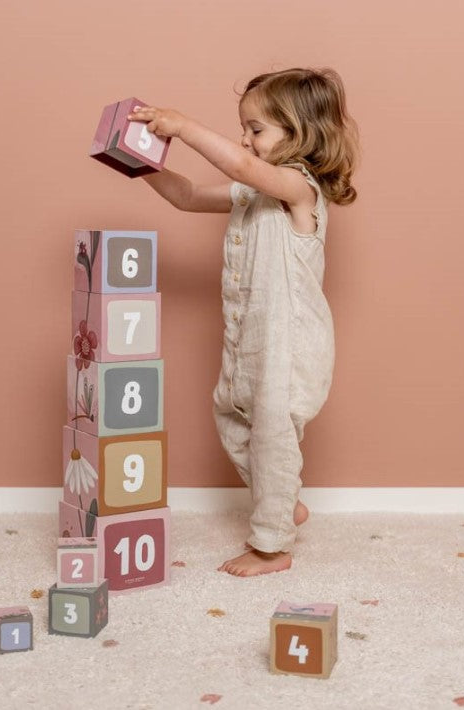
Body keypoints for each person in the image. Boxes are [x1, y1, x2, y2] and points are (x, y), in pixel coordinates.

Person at [127, 67, 359, 576]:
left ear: (299, 135)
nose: (245, 140)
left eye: (256, 130)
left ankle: (271, 545)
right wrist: (142, 164)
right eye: (245, 129)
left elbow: (246, 169)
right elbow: (186, 196)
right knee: (231, 419)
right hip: (249, 341)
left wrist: (184, 127)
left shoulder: (299, 190)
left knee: (273, 435)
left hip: (289, 345)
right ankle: (283, 501)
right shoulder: (251, 193)